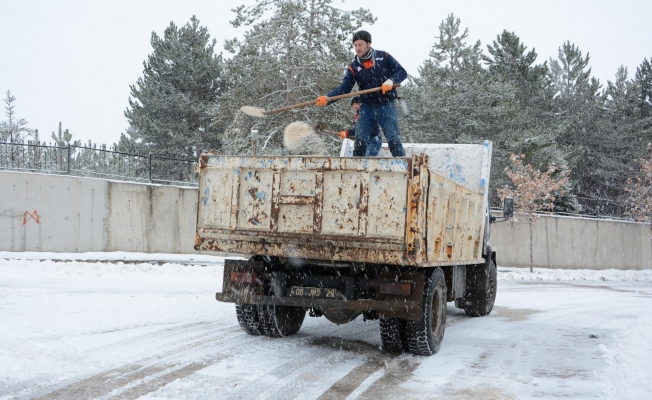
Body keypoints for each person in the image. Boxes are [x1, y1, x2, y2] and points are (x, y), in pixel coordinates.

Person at [316, 30, 407, 157]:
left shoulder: (384, 57)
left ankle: (403, 169)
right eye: (355, 45)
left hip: (386, 105)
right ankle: (356, 172)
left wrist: (391, 81)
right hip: (367, 107)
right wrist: (328, 98)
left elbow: (402, 72)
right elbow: (344, 88)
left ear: (368, 44)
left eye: (360, 44)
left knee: (394, 139)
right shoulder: (354, 67)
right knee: (360, 141)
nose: (357, 48)